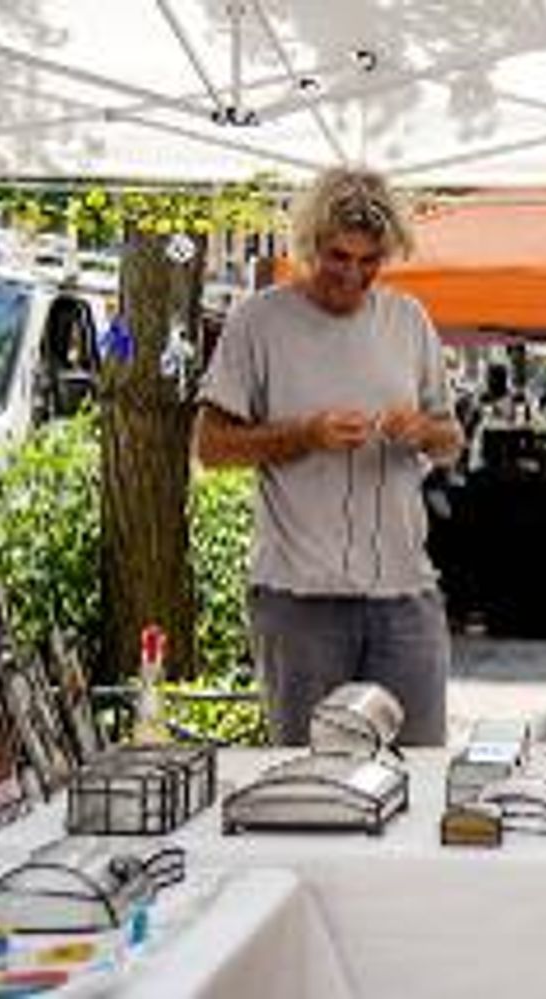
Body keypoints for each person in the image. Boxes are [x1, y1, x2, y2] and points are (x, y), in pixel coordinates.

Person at [194, 167, 463, 747]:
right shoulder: (258, 322)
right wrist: (305, 434)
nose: (354, 276)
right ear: (311, 244)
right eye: (340, 257)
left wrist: (420, 430)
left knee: (420, 773)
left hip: (404, 593)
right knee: (306, 782)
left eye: (371, 262)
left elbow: (452, 439)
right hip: (299, 598)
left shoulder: (408, 320)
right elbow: (210, 447)